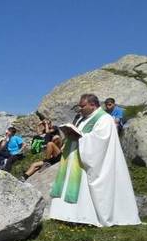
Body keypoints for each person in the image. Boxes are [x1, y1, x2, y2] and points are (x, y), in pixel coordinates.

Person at [50, 93, 140, 227]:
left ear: (93, 105)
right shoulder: (82, 119)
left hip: (88, 160)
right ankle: (64, 214)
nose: (80, 109)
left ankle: (83, 217)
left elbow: (101, 140)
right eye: (79, 106)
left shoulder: (105, 119)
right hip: (74, 157)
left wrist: (81, 138)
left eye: (82, 106)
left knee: (83, 188)